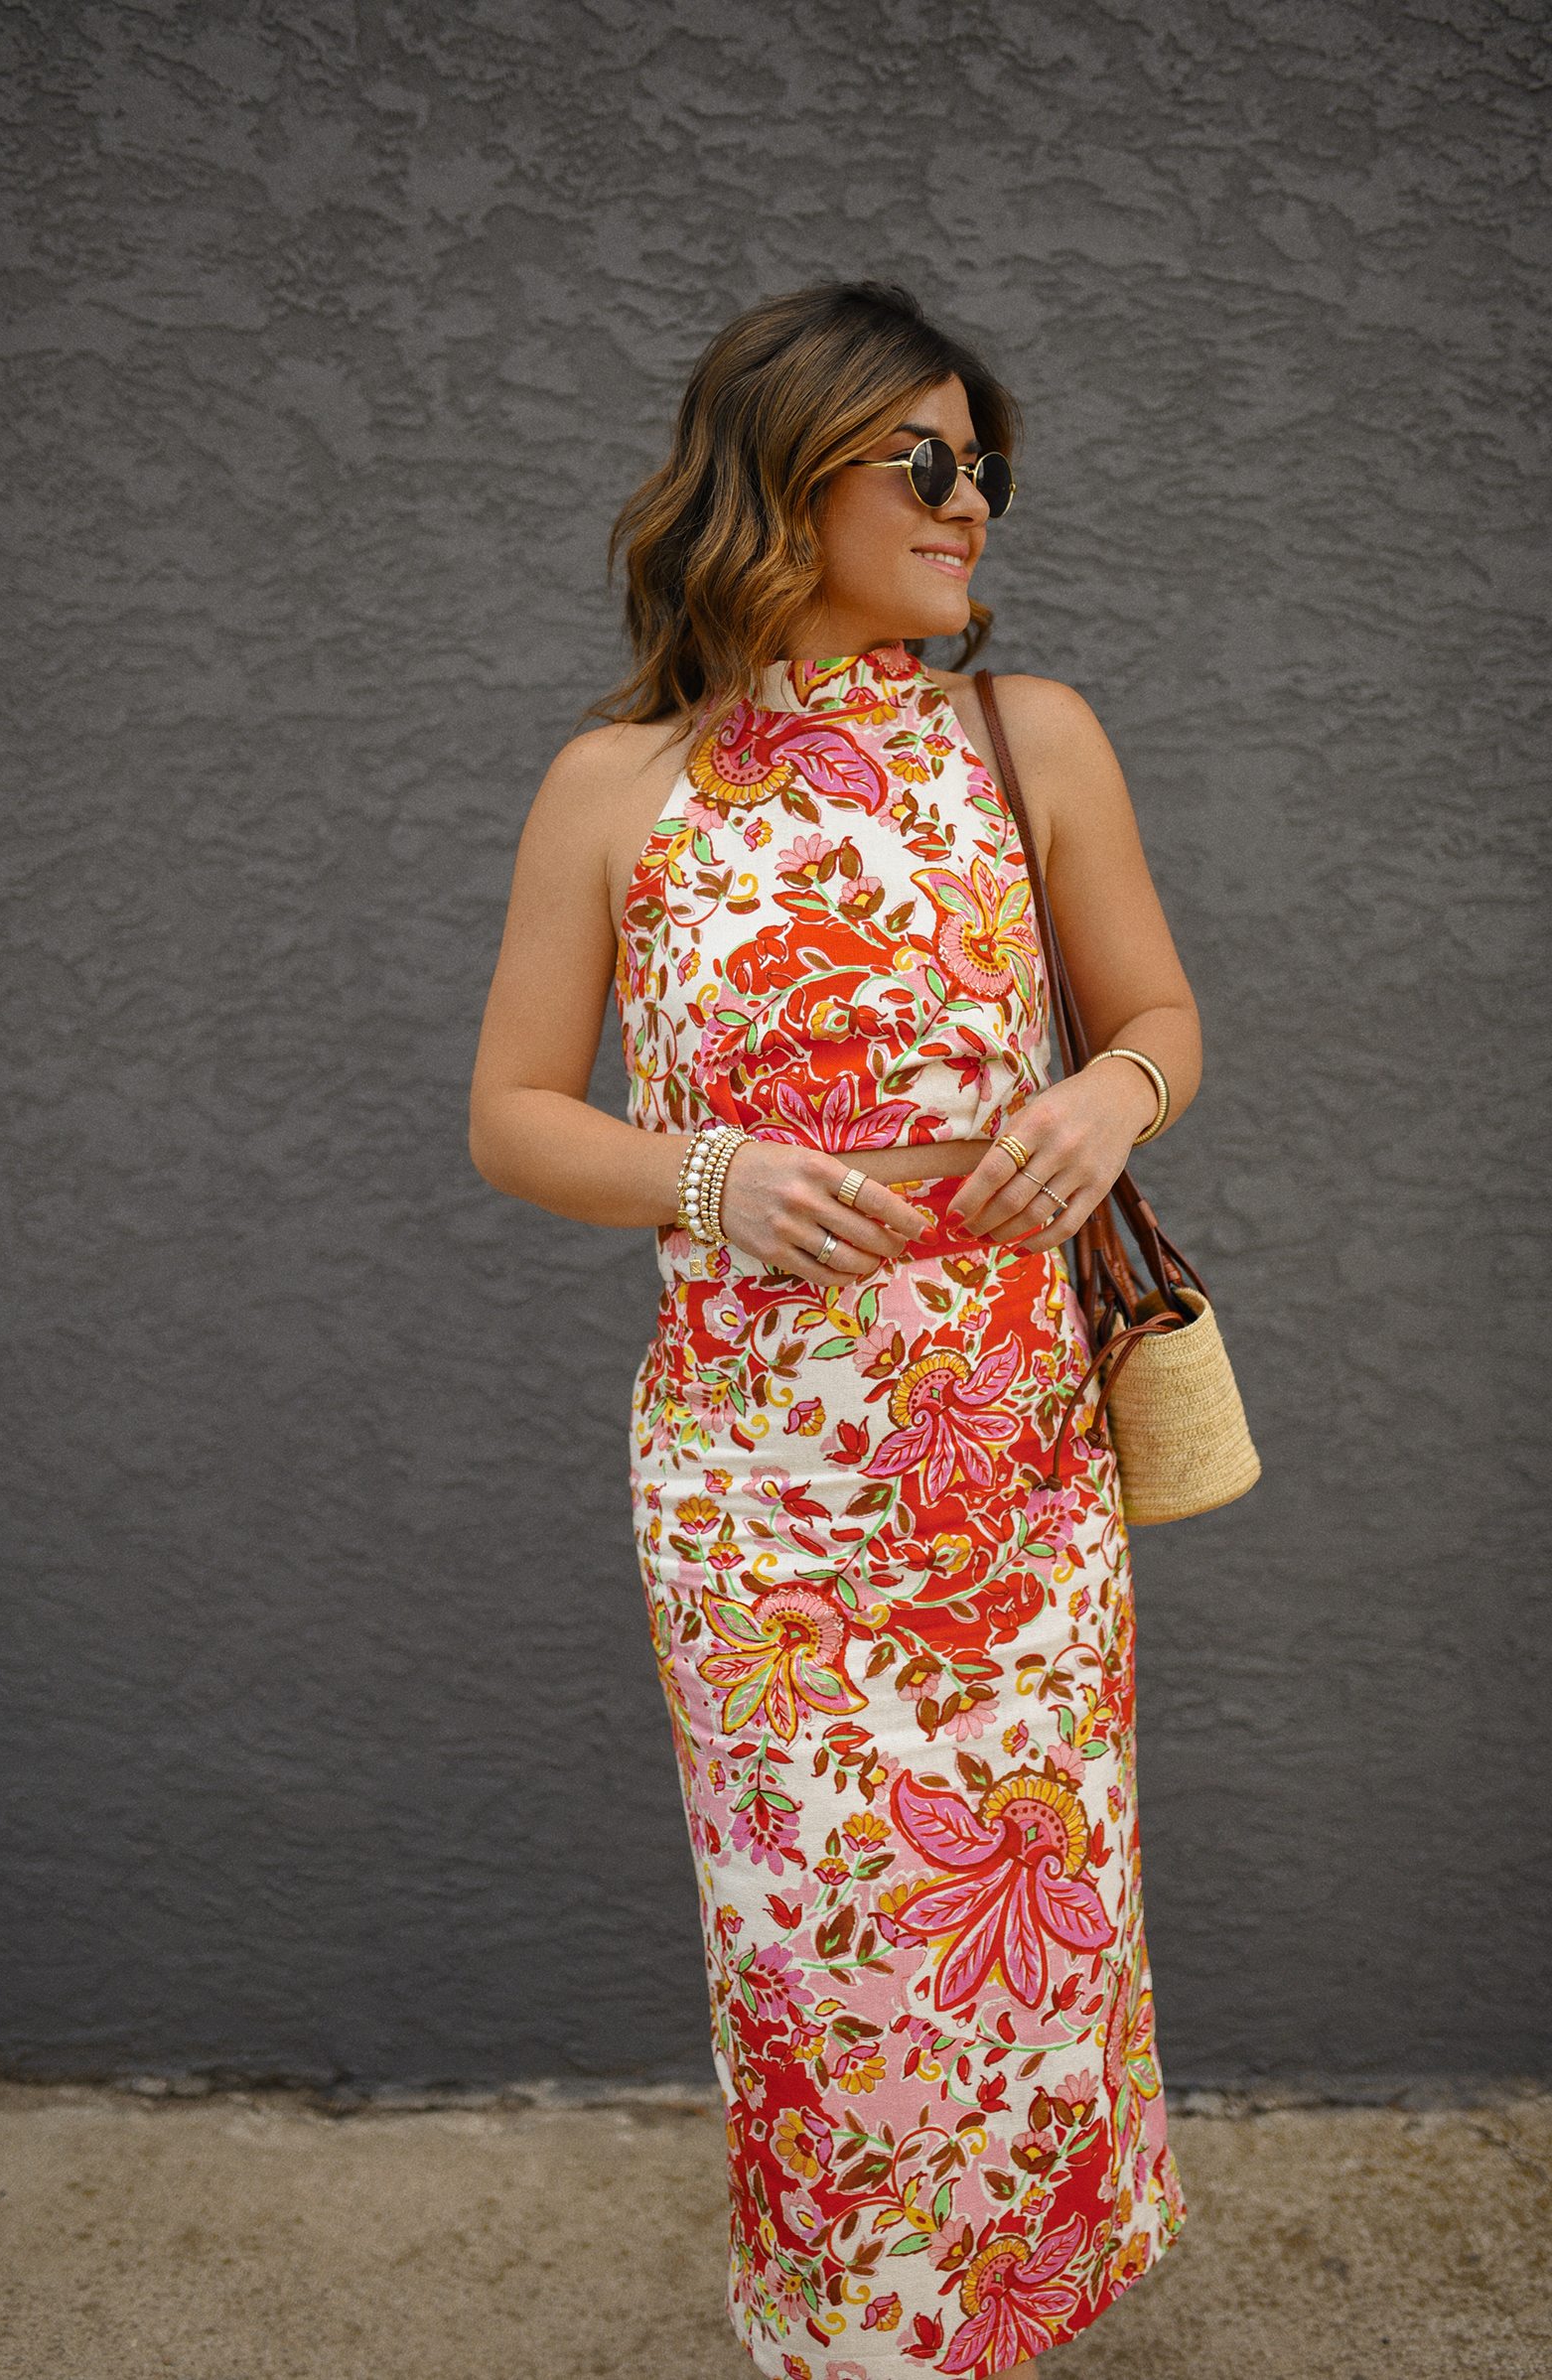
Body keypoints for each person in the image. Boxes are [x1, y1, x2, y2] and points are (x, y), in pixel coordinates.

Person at [470, 281, 1199, 2379]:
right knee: (817, 1961)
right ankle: (852, 2344)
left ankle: (1002, 2324)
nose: (972, 502)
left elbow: (1157, 1013)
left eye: (988, 466)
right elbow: (513, 1112)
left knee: (1026, 1938)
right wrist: (705, 1173)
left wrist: (1101, 1094)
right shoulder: (614, 785)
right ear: (779, 472)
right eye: (927, 461)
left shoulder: (1023, 734)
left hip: (1007, 1471)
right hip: (755, 1496)